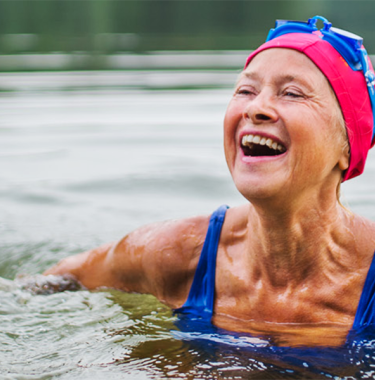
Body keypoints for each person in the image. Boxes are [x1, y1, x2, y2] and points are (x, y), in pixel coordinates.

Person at [44, 16, 375, 344]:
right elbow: (63, 278)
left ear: (347, 146)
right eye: (246, 90)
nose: (256, 108)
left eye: (292, 93)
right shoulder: (177, 253)